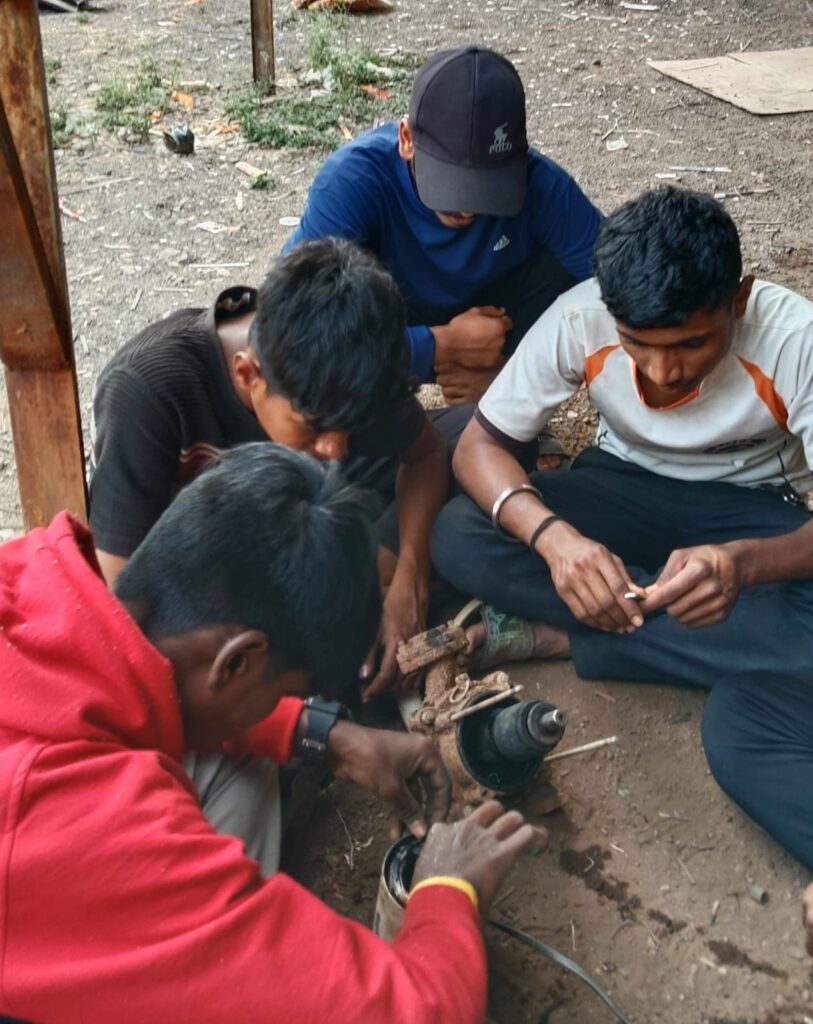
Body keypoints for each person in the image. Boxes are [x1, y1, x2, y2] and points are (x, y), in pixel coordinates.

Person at [0, 443, 544, 1024]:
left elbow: (157, 695)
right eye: (287, 693)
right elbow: (417, 1014)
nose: (285, 708)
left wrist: (324, 738)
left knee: (244, 760)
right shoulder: (86, 823)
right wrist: (448, 891)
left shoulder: (37, 579)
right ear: (237, 661)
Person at [431, 185, 813, 686]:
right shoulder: (580, 316)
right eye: (636, 343)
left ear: (738, 301)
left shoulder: (796, 340)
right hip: (621, 487)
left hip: (750, 506)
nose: (663, 371)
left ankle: (571, 635)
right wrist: (556, 542)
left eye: (691, 344)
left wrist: (743, 567)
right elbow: (478, 446)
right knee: (459, 532)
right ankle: (701, 629)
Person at [89, 237, 449, 698]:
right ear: (247, 374)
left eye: (350, 426)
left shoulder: (347, 371)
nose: (336, 448)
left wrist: (409, 578)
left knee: (470, 448)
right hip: (199, 589)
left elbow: (426, 453)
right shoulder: (148, 393)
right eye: (315, 426)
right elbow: (125, 600)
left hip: (290, 545)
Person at [286, 45, 603, 412]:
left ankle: (503, 411)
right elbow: (292, 328)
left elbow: (623, 288)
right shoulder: (352, 183)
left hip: (499, 332)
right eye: (451, 183)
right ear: (406, 139)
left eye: (489, 186)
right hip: (388, 327)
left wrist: (515, 376)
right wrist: (439, 345)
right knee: (326, 321)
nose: (467, 208)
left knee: (585, 278)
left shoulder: (543, 185)